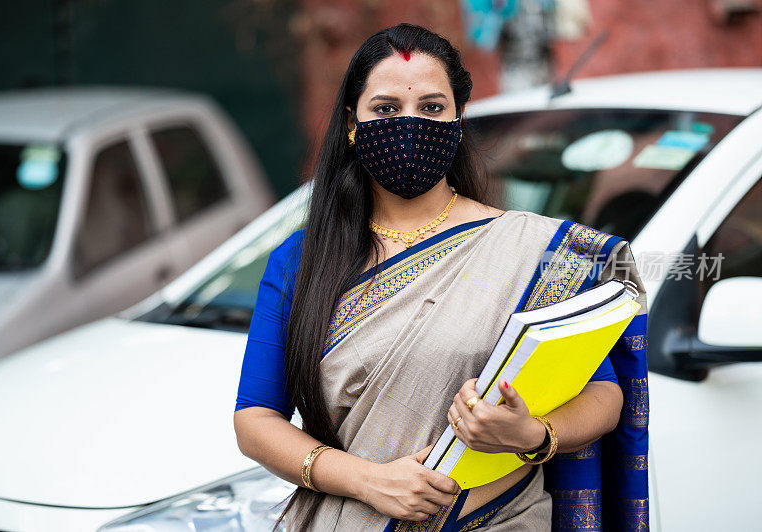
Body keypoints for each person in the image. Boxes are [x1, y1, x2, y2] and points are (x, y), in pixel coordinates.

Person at [233, 23, 649, 532]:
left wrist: (534, 433)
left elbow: (604, 395)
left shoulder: (534, 252)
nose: (409, 125)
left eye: (431, 108)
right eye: (386, 109)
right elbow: (255, 420)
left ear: (457, 120)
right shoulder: (302, 261)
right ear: (350, 123)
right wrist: (367, 480)